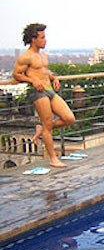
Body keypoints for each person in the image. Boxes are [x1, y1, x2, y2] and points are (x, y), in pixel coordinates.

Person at [13, 23, 75, 168]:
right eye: (42, 37)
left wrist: (54, 77)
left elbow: (44, 71)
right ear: (33, 39)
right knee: (47, 124)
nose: (45, 40)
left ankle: (40, 130)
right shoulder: (25, 57)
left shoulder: (42, 55)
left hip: (49, 90)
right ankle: (53, 159)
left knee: (69, 118)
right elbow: (16, 74)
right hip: (38, 92)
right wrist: (32, 80)